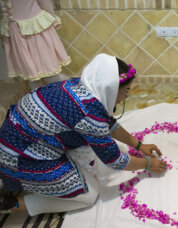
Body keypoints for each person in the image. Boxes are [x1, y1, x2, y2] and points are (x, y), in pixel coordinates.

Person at [0, 53, 167, 216]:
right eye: (126, 91)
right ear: (111, 89)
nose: (126, 97)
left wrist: (139, 145)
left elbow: (108, 123)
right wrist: (147, 164)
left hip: (18, 138)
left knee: (92, 155)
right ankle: (12, 204)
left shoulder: (81, 86)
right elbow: (114, 160)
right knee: (88, 195)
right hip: (21, 156)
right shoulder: (89, 113)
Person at [0, 0, 71, 89]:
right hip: (15, 31)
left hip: (35, 27)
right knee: (27, 62)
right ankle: (37, 87)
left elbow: (44, 3)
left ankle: (54, 83)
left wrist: (52, 18)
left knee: (45, 57)